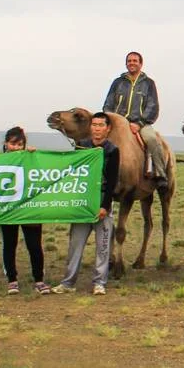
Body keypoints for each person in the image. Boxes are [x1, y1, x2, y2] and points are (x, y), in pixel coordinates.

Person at [53, 113, 120, 295]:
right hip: (82, 201)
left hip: (101, 200)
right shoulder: (82, 146)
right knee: (75, 244)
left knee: (103, 246)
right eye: (94, 124)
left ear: (108, 129)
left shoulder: (112, 150)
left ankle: (99, 282)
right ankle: (68, 282)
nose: (97, 129)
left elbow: (112, 181)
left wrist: (105, 206)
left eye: (101, 125)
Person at [102, 51, 168, 190]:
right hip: (118, 123)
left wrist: (139, 123)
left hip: (140, 123)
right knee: (97, 138)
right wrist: (110, 120)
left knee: (151, 139)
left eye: (134, 61)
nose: (131, 63)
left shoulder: (149, 83)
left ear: (140, 64)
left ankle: (160, 174)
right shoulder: (118, 82)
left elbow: (152, 106)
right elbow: (108, 104)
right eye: (129, 61)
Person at [0, 127, 51, 295]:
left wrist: (35, 157)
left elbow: (42, 174)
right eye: (13, 144)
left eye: (20, 144)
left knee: (34, 246)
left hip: (30, 208)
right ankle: (12, 280)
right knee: (9, 244)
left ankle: (39, 280)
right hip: (8, 209)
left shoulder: (30, 158)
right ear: (6, 144)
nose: (16, 147)